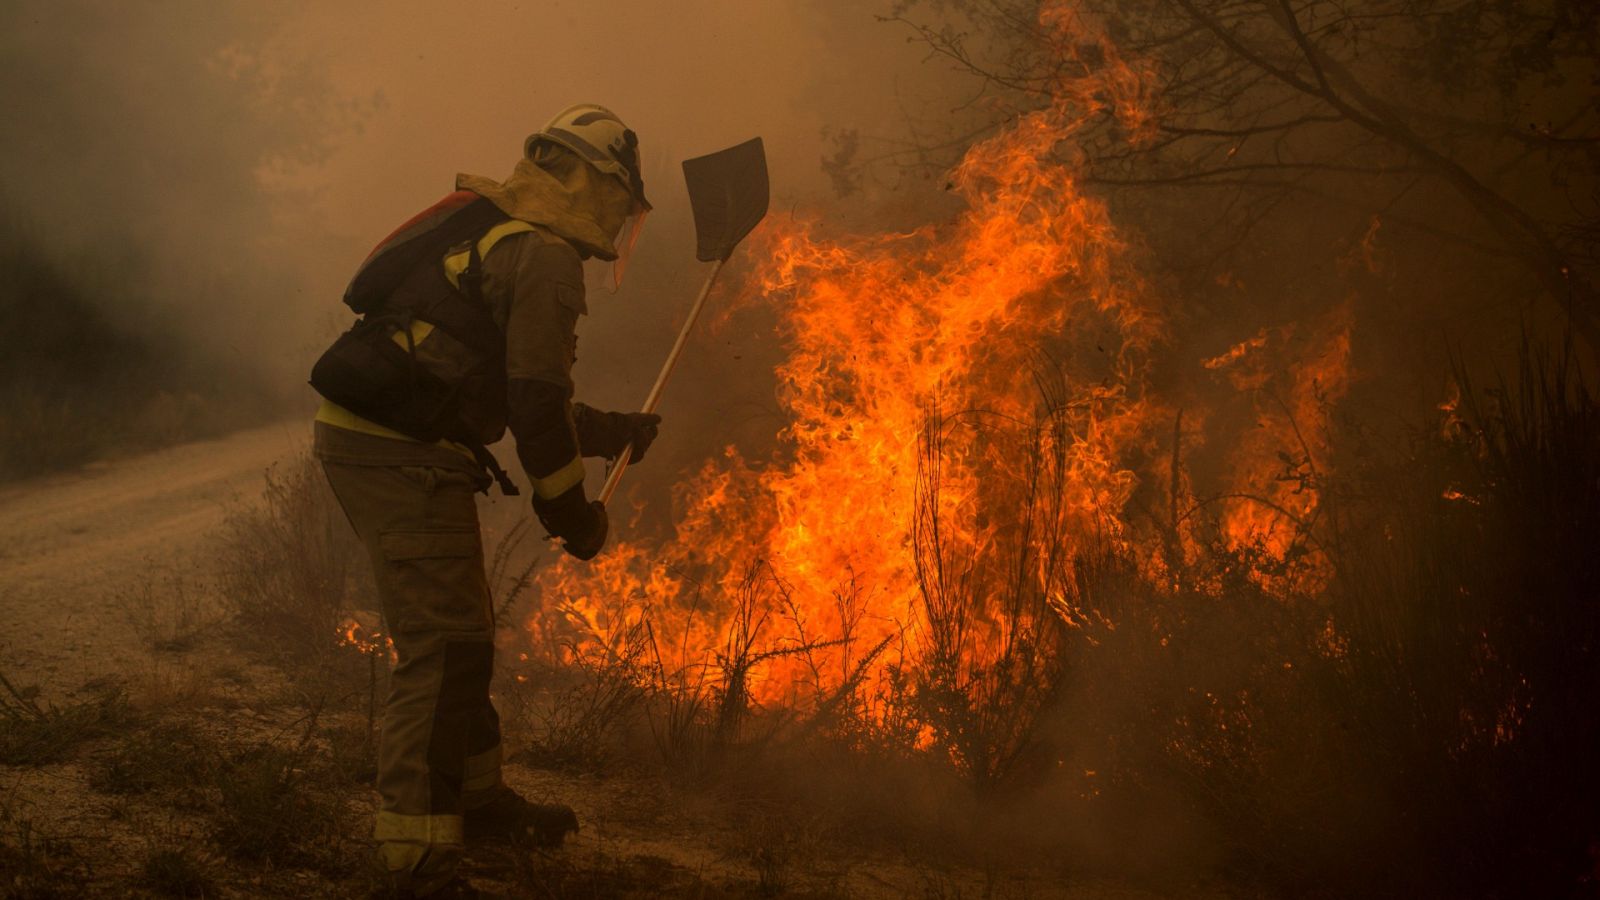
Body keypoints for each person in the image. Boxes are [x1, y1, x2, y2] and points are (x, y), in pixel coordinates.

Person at [310, 104, 661, 898]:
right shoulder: (543, 255)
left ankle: (477, 800)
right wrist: (574, 516)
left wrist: (611, 432)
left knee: (463, 639)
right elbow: (534, 405)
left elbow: (505, 390)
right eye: (619, 198)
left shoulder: (501, 229)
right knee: (441, 652)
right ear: (595, 181)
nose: (616, 219)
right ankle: (417, 862)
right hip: (398, 457)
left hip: (389, 445)